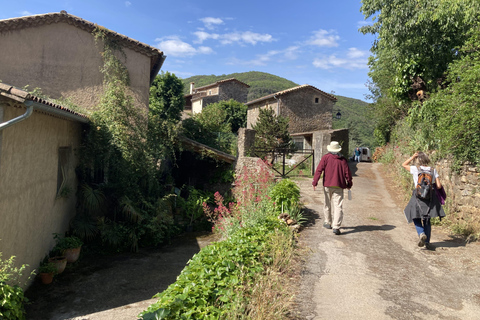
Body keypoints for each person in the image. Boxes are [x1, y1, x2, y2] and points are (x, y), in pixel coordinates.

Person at [402, 152, 445, 250]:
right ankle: (427, 242)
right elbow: (438, 186)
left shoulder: (415, 169)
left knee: (415, 216)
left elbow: (403, 165)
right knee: (427, 219)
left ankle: (421, 233)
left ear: (418, 160)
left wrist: (412, 157)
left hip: (418, 196)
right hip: (429, 197)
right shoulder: (433, 170)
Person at [312, 141, 353, 235]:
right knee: (338, 206)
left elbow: (319, 170)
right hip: (339, 185)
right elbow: (348, 174)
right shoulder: (343, 160)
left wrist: (315, 182)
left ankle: (327, 222)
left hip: (327, 184)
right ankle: (336, 227)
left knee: (327, 204)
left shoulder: (326, 158)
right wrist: (349, 184)